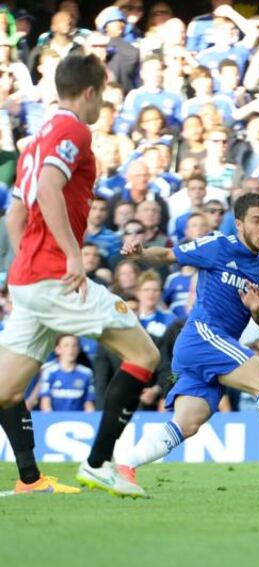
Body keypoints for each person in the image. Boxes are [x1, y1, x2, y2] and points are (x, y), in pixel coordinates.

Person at [0, 54, 159, 497]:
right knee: (144, 355)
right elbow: (50, 187)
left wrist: (26, 261)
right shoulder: (73, 129)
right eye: (103, 94)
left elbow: (15, 215)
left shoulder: (36, 138)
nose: (102, 103)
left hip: (29, 279)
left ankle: (30, 481)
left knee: (6, 391)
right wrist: (71, 254)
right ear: (90, 92)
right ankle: (99, 463)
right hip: (55, 278)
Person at [116, 193, 259, 492]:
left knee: (187, 423)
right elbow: (170, 256)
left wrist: (254, 306)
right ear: (239, 224)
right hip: (202, 335)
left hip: (212, 347)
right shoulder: (216, 246)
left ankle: (124, 465)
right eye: (256, 221)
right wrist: (142, 252)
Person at [38, 335, 96, 412]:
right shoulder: (49, 372)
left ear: (79, 349)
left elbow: (89, 404)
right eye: (66, 345)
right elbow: (45, 403)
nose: (70, 350)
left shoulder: (87, 373)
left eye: (74, 346)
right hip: (53, 421)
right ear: (57, 349)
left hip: (79, 421)